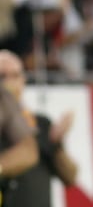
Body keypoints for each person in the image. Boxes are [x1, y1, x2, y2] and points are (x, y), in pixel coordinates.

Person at [0, 50, 77, 207]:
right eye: (2, 76)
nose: (9, 83)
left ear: (23, 79)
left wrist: (57, 143)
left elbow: (70, 177)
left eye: (15, 75)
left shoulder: (41, 123)